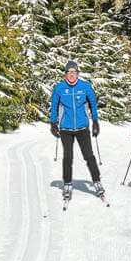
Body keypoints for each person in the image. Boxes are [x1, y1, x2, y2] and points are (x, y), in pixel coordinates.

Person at [48, 60, 103, 202]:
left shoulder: (85, 86)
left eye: (74, 72)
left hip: (82, 127)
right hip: (65, 128)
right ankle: (67, 184)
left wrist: (95, 121)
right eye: (69, 72)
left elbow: (93, 104)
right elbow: (54, 106)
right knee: (68, 157)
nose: (71, 75)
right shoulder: (59, 88)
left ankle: (97, 181)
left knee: (89, 156)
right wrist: (53, 123)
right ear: (65, 74)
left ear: (77, 73)